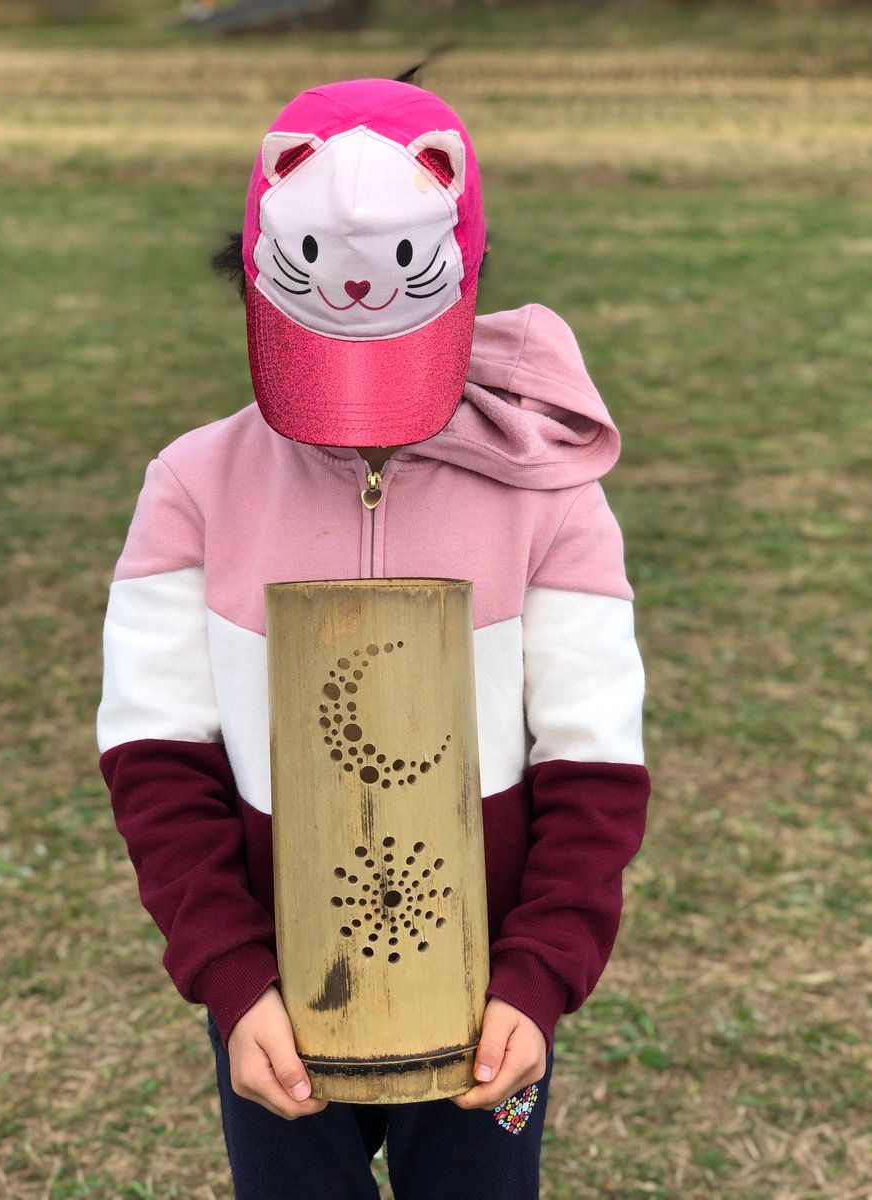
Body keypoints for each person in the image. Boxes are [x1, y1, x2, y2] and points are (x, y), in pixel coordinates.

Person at [96, 72, 651, 1199]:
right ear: (258, 275)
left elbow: (593, 762)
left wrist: (538, 976)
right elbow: (156, 757)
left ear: (465, 268)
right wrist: (234, 978)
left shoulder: (550, 497)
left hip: (492, 1002)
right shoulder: (194, 486)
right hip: (278, 1002)